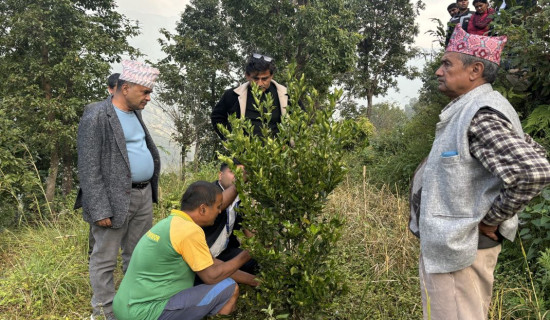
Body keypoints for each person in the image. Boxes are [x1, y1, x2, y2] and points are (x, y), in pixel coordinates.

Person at [409, 25, 550, 320]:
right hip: (456, 251)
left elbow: (534, 170)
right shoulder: (476, 108)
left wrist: (491, 218)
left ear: (474, 70)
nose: (438, 71)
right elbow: (534, 152)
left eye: (447, 63)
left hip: (461, 252)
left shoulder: (481, 113)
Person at [74, 60, 161, 320]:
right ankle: (103, 313)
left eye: (150, 92)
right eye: (144, 92)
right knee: (105, 258)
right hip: (112, 200)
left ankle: (131, 304)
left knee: (138, 254)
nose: (148, 97)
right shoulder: (97, 116)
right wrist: (100, 208)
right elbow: (88, 167)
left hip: (142, 195)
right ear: (125, 87)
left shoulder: (135, 112)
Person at [113, 181, 257, 320]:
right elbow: (211, 276)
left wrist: (254, 281)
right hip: (146, 312)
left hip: (125, 307)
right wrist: (248, 253)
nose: (220, 211)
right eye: (218, 207)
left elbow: (213, 263)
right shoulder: (189, 231)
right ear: (203, 209)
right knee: (229, 288)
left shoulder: (171, 223)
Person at [211, 53, 289, 140]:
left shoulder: (286, 95)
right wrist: (231, 139)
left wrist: (289, 143)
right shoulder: (232, 95)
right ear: (247, 76)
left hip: (277, 151)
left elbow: (301, 120)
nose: (260, 83)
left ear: (271, 76)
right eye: (256, 79)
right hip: (243, 152)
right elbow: (217, 117)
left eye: (264, 79)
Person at [87, 72, 122, 259]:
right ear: (110, 89)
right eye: (118, 88)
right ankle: (93, 258)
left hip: (125, 189)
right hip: (104, 183)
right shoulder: (96, 112)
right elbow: (89, 161)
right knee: (100, 236)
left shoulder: (133, 113)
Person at [202, 161, 258, 276]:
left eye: (242, 173)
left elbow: (247, 229)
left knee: (255, 260)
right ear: (220, 175)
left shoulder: (239, 199)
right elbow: (219, 206)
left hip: (223, 252)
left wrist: (259, 248)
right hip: (204, 253)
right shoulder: (208, 192)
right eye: (233, 172)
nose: (238, 176)